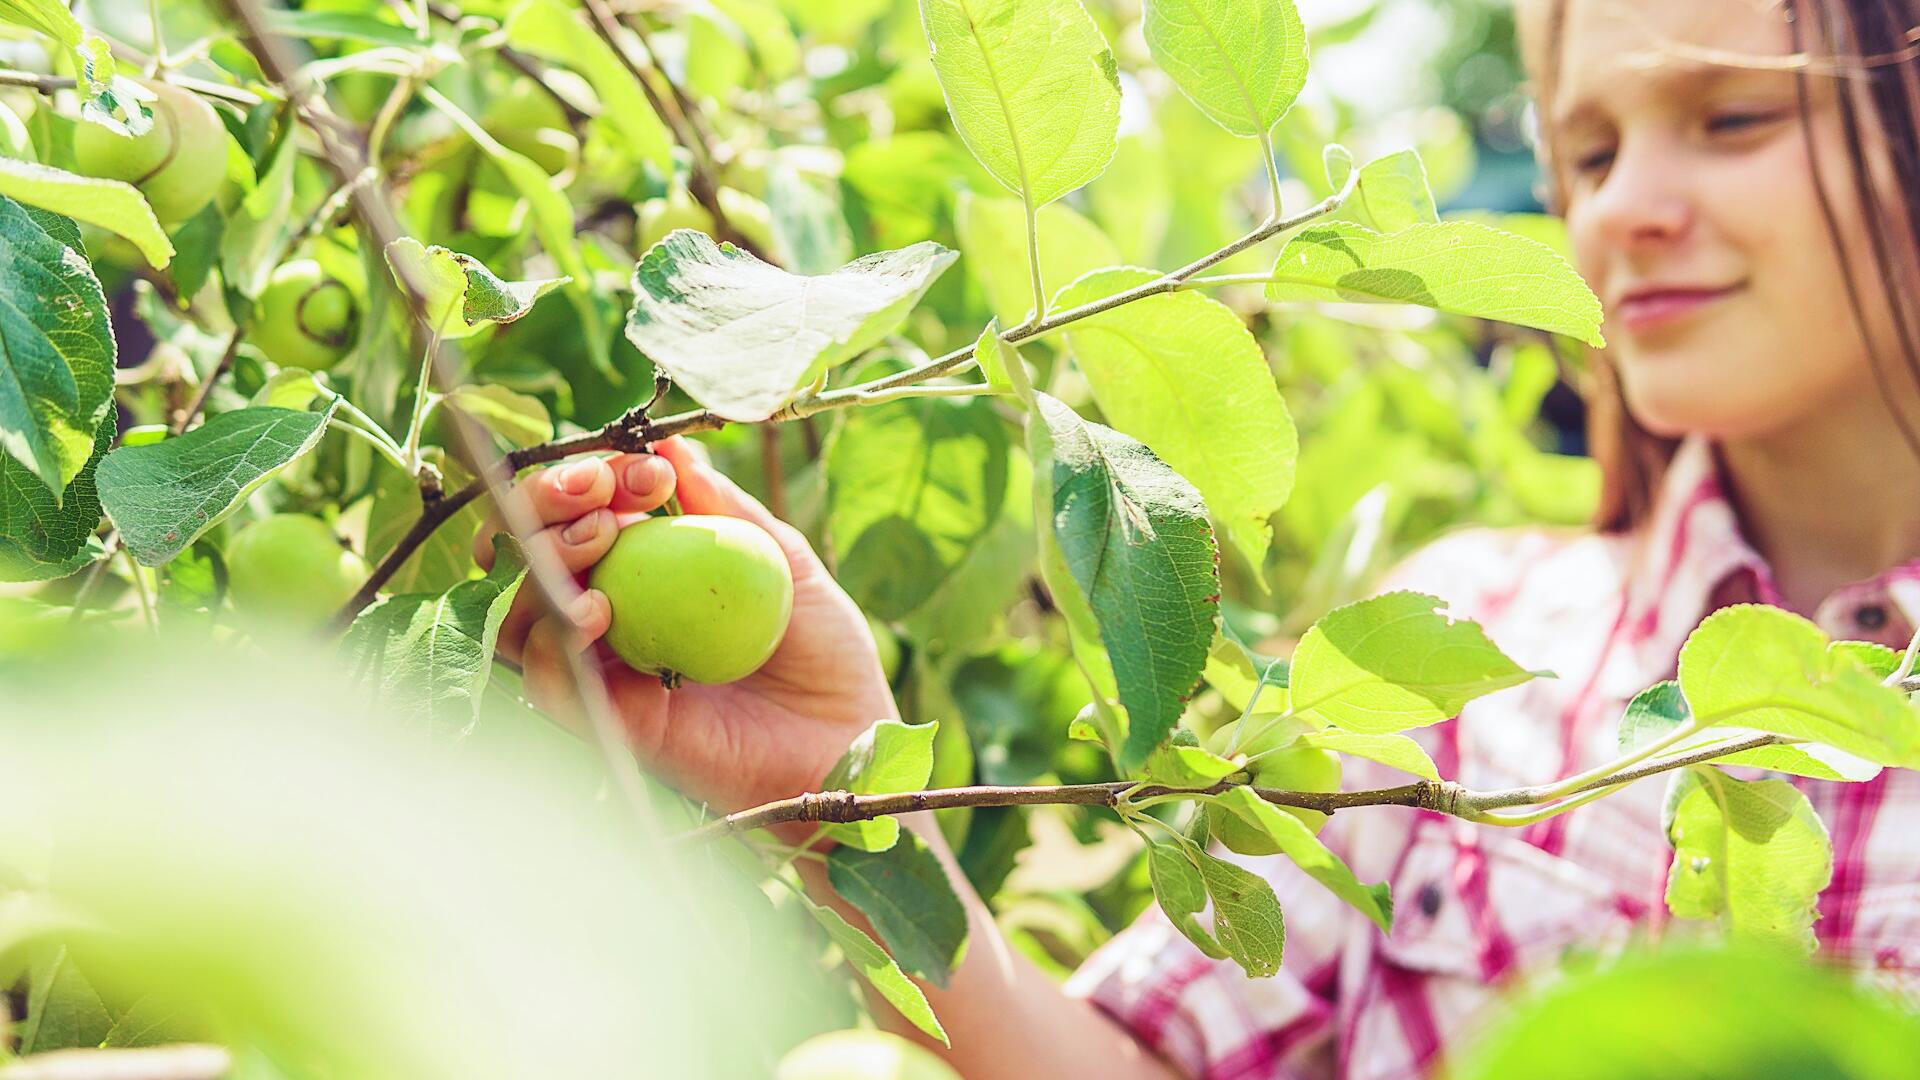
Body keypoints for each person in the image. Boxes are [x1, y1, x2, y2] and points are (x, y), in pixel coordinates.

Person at [484, 0, 1920, 1075]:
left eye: (1732, 120)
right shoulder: (1465, 648)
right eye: (1589, 151)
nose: (1627, 212)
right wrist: (836, 788)